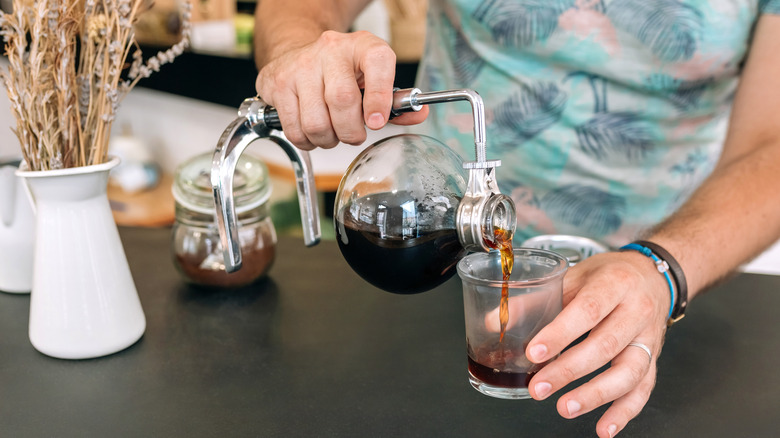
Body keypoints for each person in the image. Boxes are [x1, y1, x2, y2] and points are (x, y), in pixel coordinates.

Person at [253, 1, 780, 436]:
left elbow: (772, 144)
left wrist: (661, 269)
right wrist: (298, 46)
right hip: (434, 258)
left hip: (659, 292)